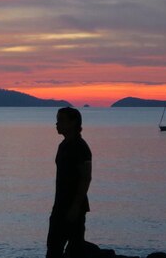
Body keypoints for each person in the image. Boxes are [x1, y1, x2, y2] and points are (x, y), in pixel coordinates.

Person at [46, 107, 92, 258]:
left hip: (74, 208)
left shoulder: (80, 147)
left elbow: (86, 178)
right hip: (60, 206)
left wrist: (75, 206)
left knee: (74, 250)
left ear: (72, 123)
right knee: (53, 248)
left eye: (61, 120)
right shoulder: (63, 145)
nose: (56, 124)